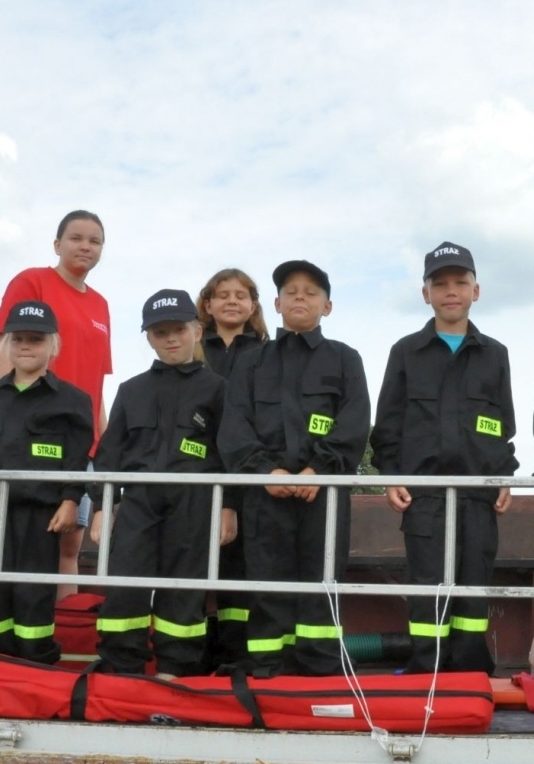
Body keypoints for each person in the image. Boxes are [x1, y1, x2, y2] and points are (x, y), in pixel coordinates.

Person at [371, 242, 519, 674]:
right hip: (424, 495)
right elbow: (388, 425)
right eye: (440, 284)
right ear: (425, 294)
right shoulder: (405, 352)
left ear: (476, 290)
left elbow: (502, 426)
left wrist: (503, 476)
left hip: (477, 493)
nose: (450, 291)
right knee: (427, 585)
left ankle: (470, 668)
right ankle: (426, 668)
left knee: (473, 584)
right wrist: (391, 475)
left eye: (460, 282)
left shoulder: (496, 354)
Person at [217, 261, 370, 676]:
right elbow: (234, 427)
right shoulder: (251, 362)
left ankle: (319, 667)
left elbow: (354, 424)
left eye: (311, 292)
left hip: (324, 497)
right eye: (292, 291)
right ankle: (266, 665)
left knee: (321, 583)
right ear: (277, 304)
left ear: (328, 306)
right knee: (267, 583)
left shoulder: (345, 359)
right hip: (265, 496)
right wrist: (267, 473)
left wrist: (318, 470)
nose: (301, 297)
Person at [90, 291, 236, 677]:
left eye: (178, 330)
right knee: (125, 585)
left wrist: (228, 506)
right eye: (160, 333)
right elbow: (109, 455)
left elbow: (230, 455)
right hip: (138, 502)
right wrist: (103, 506)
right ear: (149, 338)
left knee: (184, 589)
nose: (171, 339)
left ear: (197, 330)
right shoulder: (131, 390)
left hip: (195, 500)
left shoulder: (219, 389)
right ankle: (121, 666)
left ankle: (177, 668)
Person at [0, 301, 92, 662]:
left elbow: (78, 461)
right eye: (19, 339)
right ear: (6, 345)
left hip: (40, 517)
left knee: (33, 592)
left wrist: (71, 500)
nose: (26, 346)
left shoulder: (74, 402)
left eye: (36, 339)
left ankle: (35, 661)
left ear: (53, 345)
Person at [0, 210, 112, 596]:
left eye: (94, 241)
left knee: (70, 542)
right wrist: (8, 418)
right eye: (76, 238)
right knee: (29, 535)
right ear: (57, 244)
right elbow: (3, 349)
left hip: (82, 439)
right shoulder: (32, 281)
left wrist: (105, 445)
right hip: (36, 432)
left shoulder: (101, 304)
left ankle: (65, 638)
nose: (85, 246)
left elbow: (98, 385)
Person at [194, 267, 269, 665]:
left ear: (254, 305)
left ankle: (234, 651)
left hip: (244, 473)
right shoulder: (192, 347)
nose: (232, 301)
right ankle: (193, 652)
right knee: (192, 565)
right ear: (207, 304)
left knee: (238, 564)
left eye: (241, 295)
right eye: (222, 295)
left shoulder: (266, 352)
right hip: (196, 470)